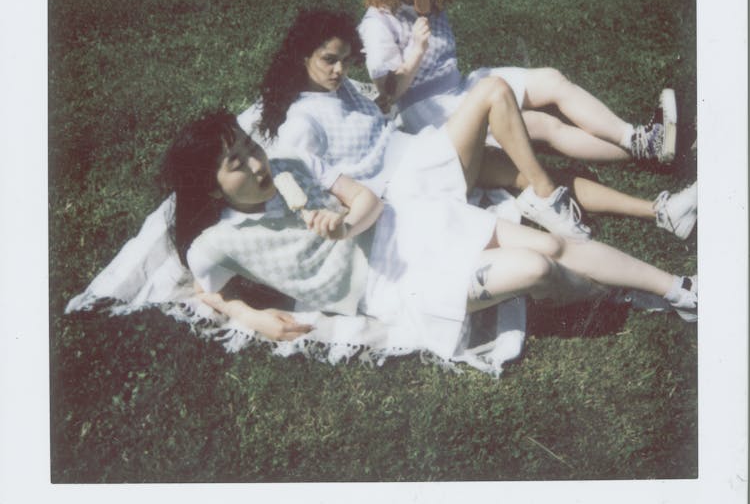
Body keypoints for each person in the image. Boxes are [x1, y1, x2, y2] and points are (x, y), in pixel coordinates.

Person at [161, 107, 696, 360]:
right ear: (212, 190)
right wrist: (248, 314)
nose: (255, 165)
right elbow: (206, 292)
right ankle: (615, 294)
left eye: (249, 149)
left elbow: (367, 198)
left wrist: (346, 223)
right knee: (537, 268)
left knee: (553, 244)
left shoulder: (288, 163)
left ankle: (678, 289)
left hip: (408, 224)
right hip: (392, 287)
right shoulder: (216, 242)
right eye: (237, 163)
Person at [257, 10, 697, 242]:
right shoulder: (301, 120)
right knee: (492, 90)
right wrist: (327, 217)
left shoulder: (340, 89)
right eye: (327, 60)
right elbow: (294, 175)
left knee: (528, 171)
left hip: (419, 154)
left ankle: (661, 212)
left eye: (343, 60)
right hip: (410, 184)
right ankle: (548, 198)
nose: (338, 70)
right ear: (302, 58)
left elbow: (381, 110)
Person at [357, 0, 679, 171]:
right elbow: (389, 93)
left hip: (461, 88)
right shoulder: (378, 21)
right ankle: (645, 154)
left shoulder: (427, 2)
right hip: (431, 112)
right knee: (543, 124)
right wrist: (415, 52)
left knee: (551, 79)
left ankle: (637, 138)